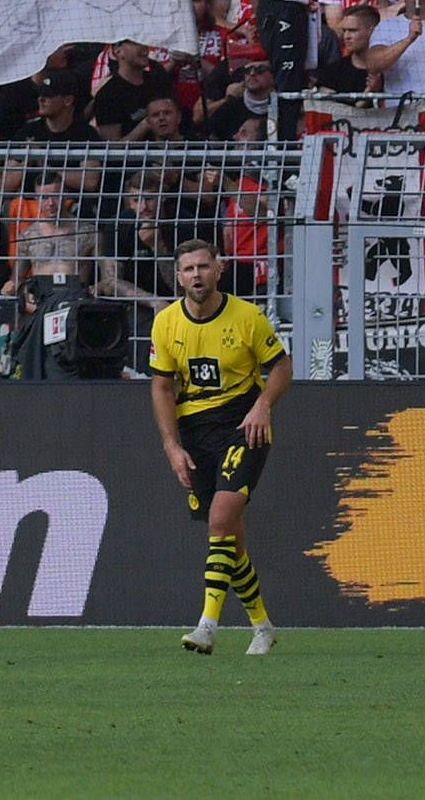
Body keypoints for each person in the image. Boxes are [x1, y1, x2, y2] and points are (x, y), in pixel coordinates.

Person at [148, 235, 290, 656]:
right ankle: (262, 626)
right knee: (231, 537)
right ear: (178, 277)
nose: (196, 275)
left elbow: (281, 366)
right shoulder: (166, 323)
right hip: (195, 432)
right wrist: (172, 447)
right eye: (188, 269)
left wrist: (263, 404)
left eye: (203, 266)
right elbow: (160, 386)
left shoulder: (247, 317)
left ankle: (207, 624)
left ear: (219, 268)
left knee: (220, 519)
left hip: (243, 425)